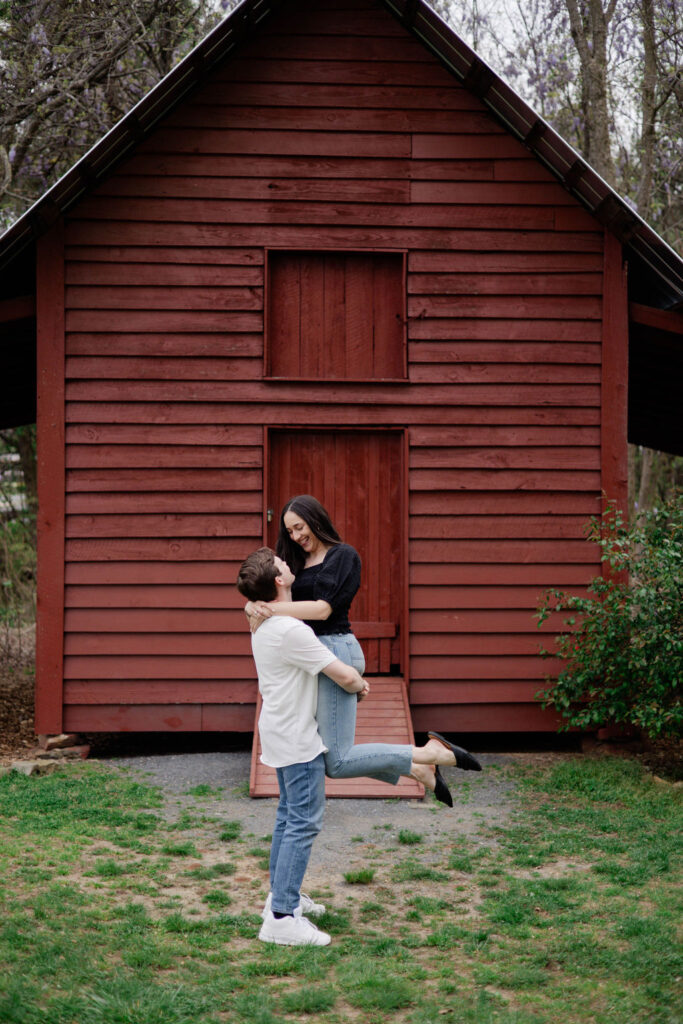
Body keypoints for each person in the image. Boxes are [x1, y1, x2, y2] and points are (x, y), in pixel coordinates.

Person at [237, 546, 478, 947]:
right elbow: (342, 673)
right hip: (298, 739)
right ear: (279, 581)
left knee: (287, 818)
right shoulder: (291, 631)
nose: (287, 559)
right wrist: (361, 686)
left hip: (280, 733)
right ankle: (280, 918)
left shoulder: (263, 625)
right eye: (281, 563)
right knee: (302, 822)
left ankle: (282, 901)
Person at [244, 495, 482, 802]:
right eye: (289, 531)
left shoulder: (343, 556)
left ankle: (428, 753)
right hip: (312, 657)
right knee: (323, 752)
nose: (295, 536)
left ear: (316, 520)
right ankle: (418, 769)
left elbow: (322, 610)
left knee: (338, 760)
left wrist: (265, 610)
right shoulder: (297, 563)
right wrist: (252, 604)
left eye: (299, 527)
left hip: (334, 648)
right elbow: (272, 591)